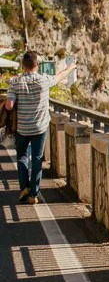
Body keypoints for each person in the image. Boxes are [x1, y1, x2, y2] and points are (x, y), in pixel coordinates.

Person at [4, 51, 73, 205]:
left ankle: (24, 188)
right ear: (37, 65)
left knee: (22, 156)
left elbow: (9, 106)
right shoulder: (44, 80)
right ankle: (33, 194)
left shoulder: (15, 82)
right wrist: (71, 67)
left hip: (22, 128)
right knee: (36, 159)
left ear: (23, 65)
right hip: (40, 128)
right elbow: (60, 76)